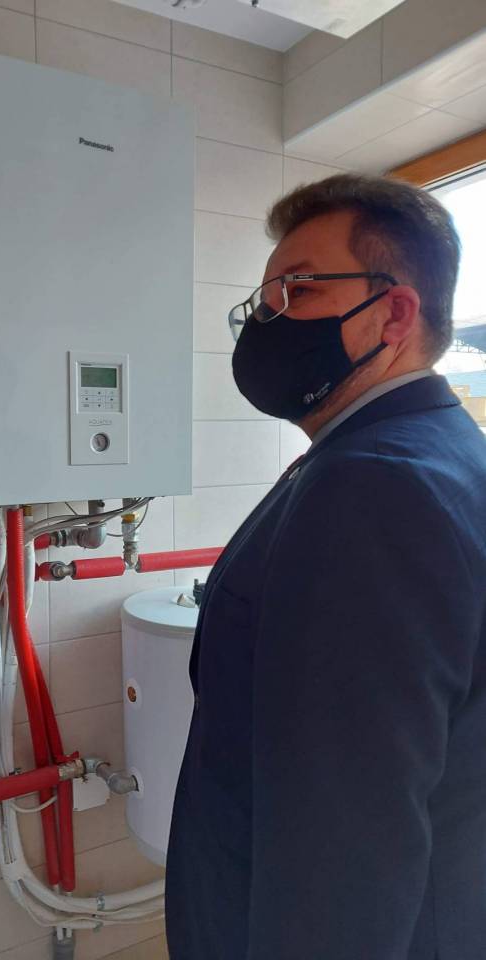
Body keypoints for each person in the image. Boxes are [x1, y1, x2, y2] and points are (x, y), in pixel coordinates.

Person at [165, 173, 486, 960]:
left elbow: (345, 838)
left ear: (394, 314)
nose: (265, 319)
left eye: (298, 290)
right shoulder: (434, 451)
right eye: (263, 298)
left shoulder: (372, 484)